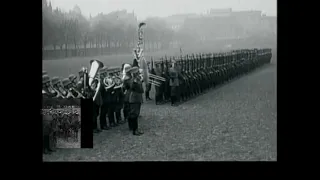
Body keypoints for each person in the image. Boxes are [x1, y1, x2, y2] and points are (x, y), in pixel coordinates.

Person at [128, 67, 144, 136]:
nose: (139, 73)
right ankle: (135, 130)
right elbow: (140, 90)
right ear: (135, 73)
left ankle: (135, 129)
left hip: (137, 98)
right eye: (138, 72)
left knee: (135, 114)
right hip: (134, 99)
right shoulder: (133, 81)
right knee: (134, 115)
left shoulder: (136, 80)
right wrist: (139, 81)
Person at [122, 63, 132, 127]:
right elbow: (125, 87)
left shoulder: (130, 77)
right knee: (127, 106)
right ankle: (126, 117)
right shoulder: (126, 78)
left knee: (129, 106)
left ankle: (128, 116)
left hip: (130, 93)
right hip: (128, 93)